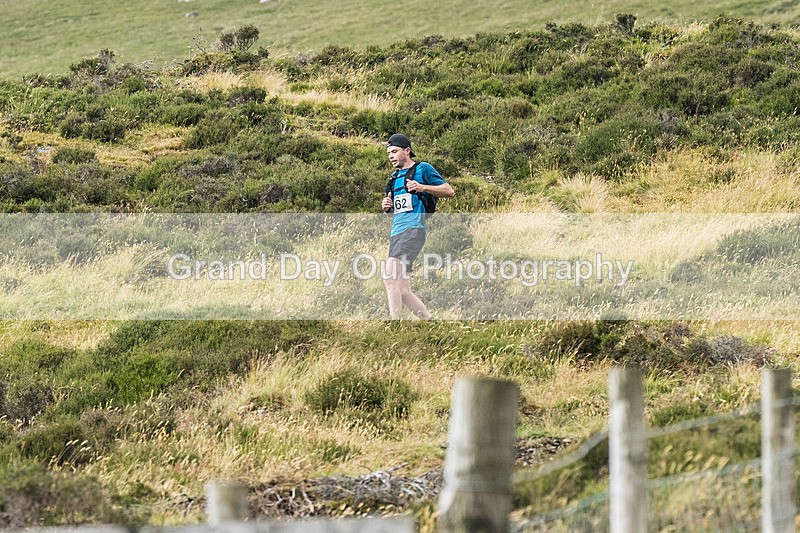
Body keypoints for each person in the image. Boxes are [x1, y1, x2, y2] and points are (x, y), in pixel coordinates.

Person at [381, 134, 454, 319]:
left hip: (413, 230)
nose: (391, 156)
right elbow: (395, 214)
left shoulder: (423, 169)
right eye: (389, 153)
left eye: (394, 151)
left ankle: (394, 326)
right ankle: (431, 323)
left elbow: (449, 191)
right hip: (397, 232)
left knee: (389, 278)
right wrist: (387, 209)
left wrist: (422, 187)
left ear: (407, 151)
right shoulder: (393, 178)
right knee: (403, 290)